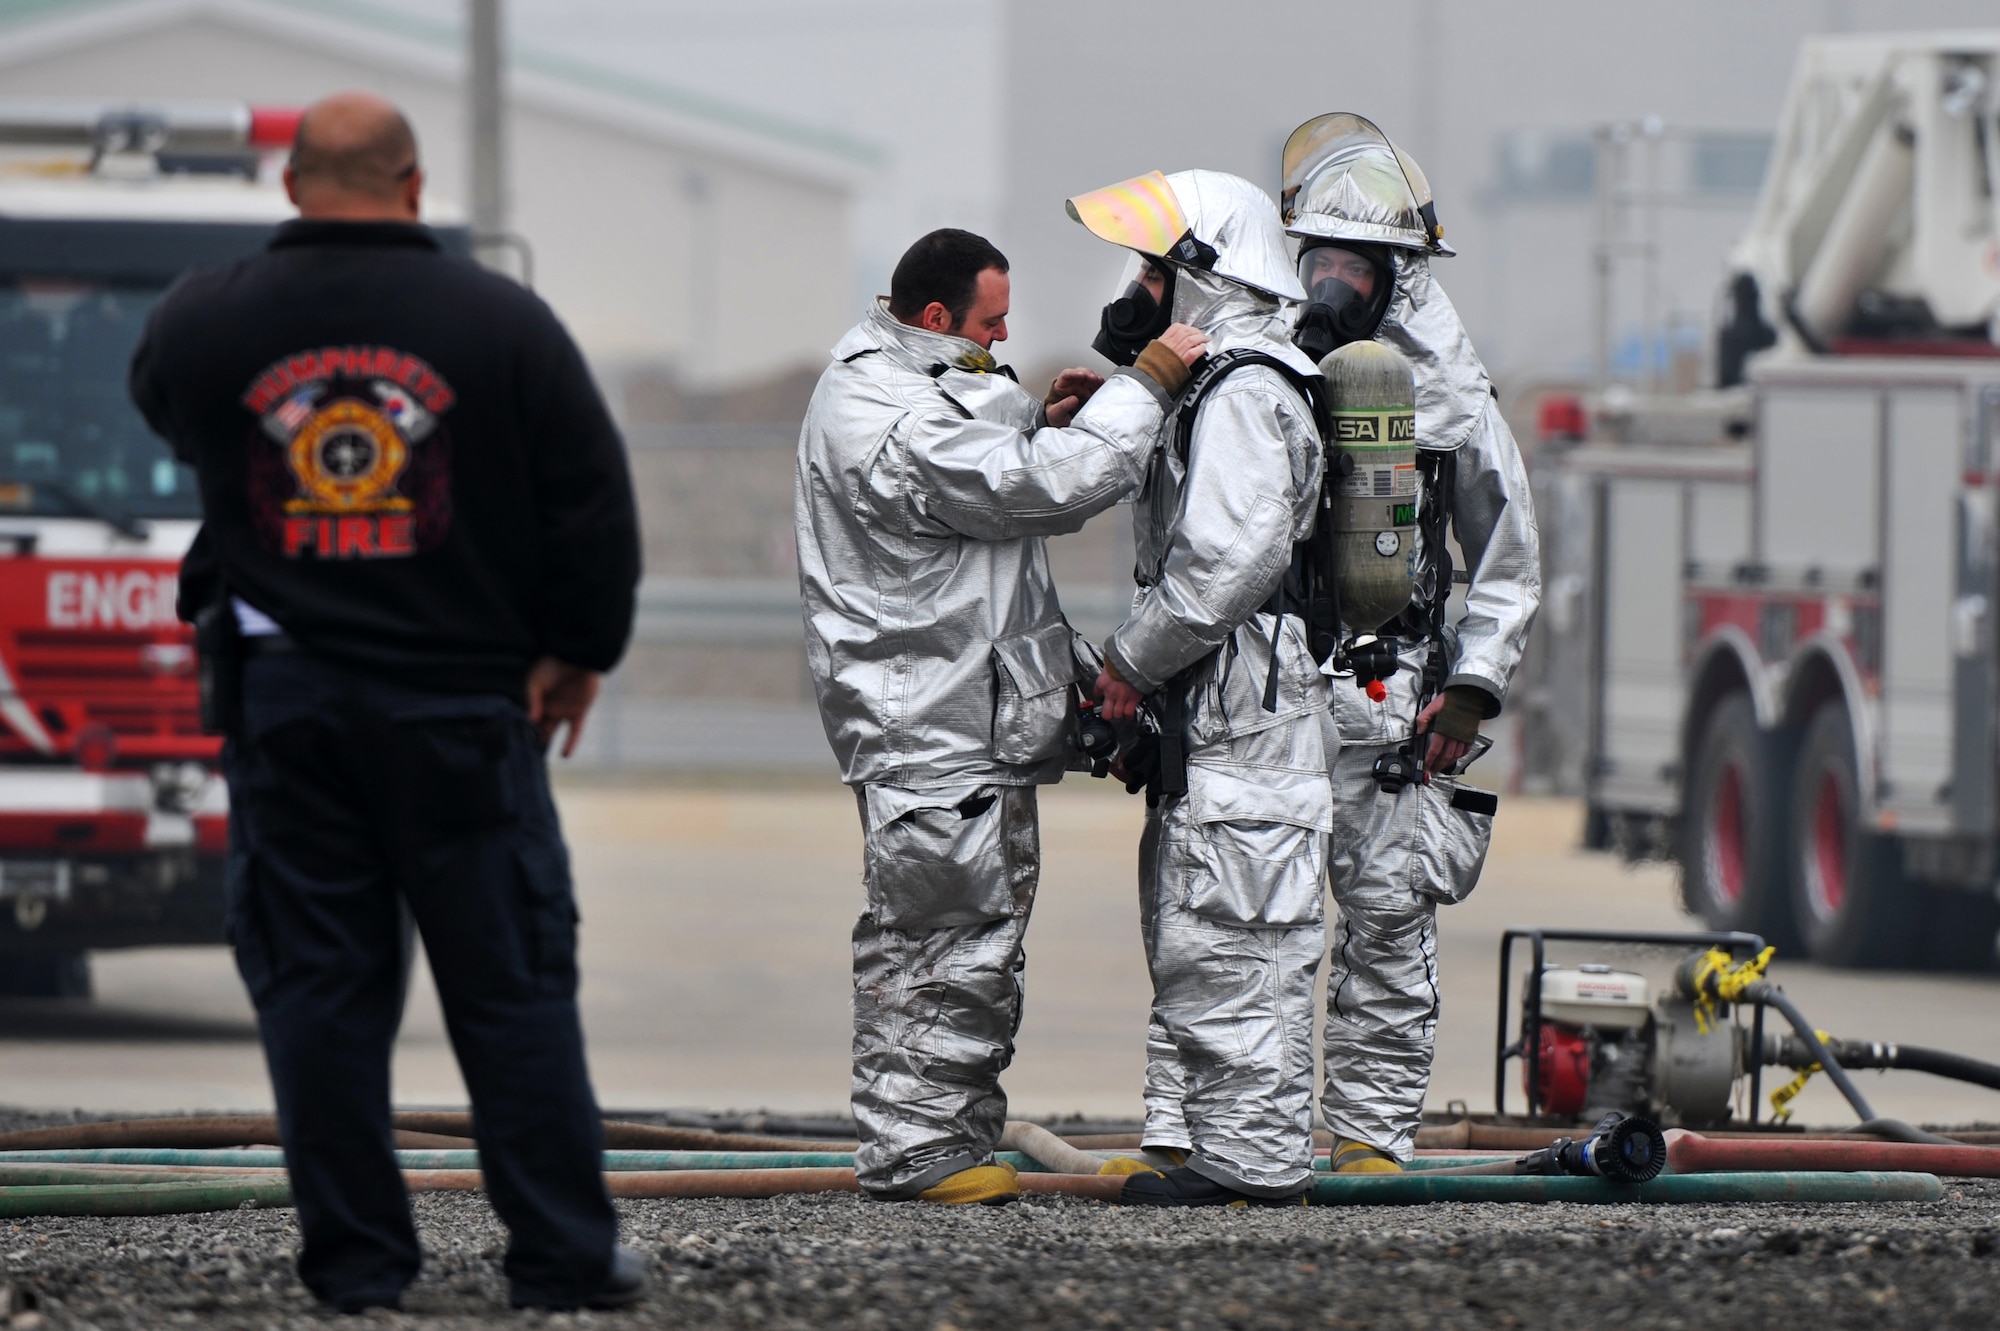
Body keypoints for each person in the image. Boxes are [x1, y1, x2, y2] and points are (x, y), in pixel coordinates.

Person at [129, 92, 645, 1311]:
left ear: (293, 188)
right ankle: (563, 1256)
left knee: (320, 988)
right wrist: (577, 648)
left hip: (288, 708)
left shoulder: (205, 319)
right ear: (412, 187)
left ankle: (359, 1263)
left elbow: (172, 414)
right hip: (464, 709)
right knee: (509, 984)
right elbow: (592, 499)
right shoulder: (504, 322)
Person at [1135, 114, 1540, 1175]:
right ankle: (1186, 1133)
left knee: (1386, 920)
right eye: (1316, 256)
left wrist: (1471, 690)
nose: (1331, 281)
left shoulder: (1450, 397)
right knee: (1221, 907)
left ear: (1400, 272)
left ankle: (1366, 1143)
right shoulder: (1257, 362)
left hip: (1391, 694)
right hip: (1259, 693)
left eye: (1356, 264)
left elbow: (1509, 551)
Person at [795, 227, 1205, 1205]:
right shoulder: (884, 415)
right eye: (992, 319)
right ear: (934, 319)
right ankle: (913, 1151)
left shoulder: (901, 379)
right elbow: (1047, 488)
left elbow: (991, 496)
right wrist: (1144, 381)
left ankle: (945, 1133)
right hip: (930, 728)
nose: (1008, 331)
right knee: (939, 935)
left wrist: (1035, 420)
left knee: (969, 936)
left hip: (961, 718)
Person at [1067, 170, 1337, 1207]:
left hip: (1245, 721)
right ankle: (1228, 1152)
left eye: (1151, 268)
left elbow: (1222, 565)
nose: (1135, 289)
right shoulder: (1219, 389)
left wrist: (1127, 664)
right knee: (1206, 930)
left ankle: (1254, 1163)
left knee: (1238, 938)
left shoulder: (1244, 391)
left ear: (1202, 278)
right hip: (1226, 716)